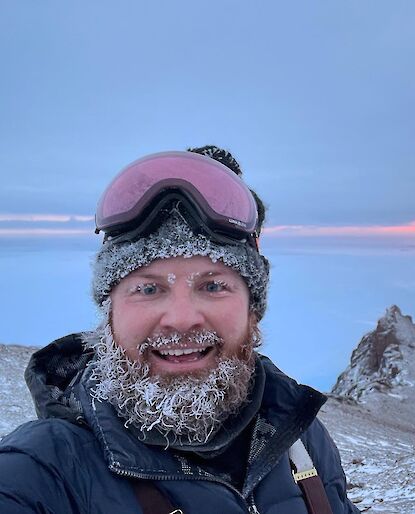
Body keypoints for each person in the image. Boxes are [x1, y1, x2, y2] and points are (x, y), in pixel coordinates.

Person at [0, 146, 358, 513]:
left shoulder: (302, 443)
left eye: (213, 286)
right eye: (149, 288)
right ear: (109, 312)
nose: (182, 318)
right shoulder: (40, 472)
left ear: (253, 309)